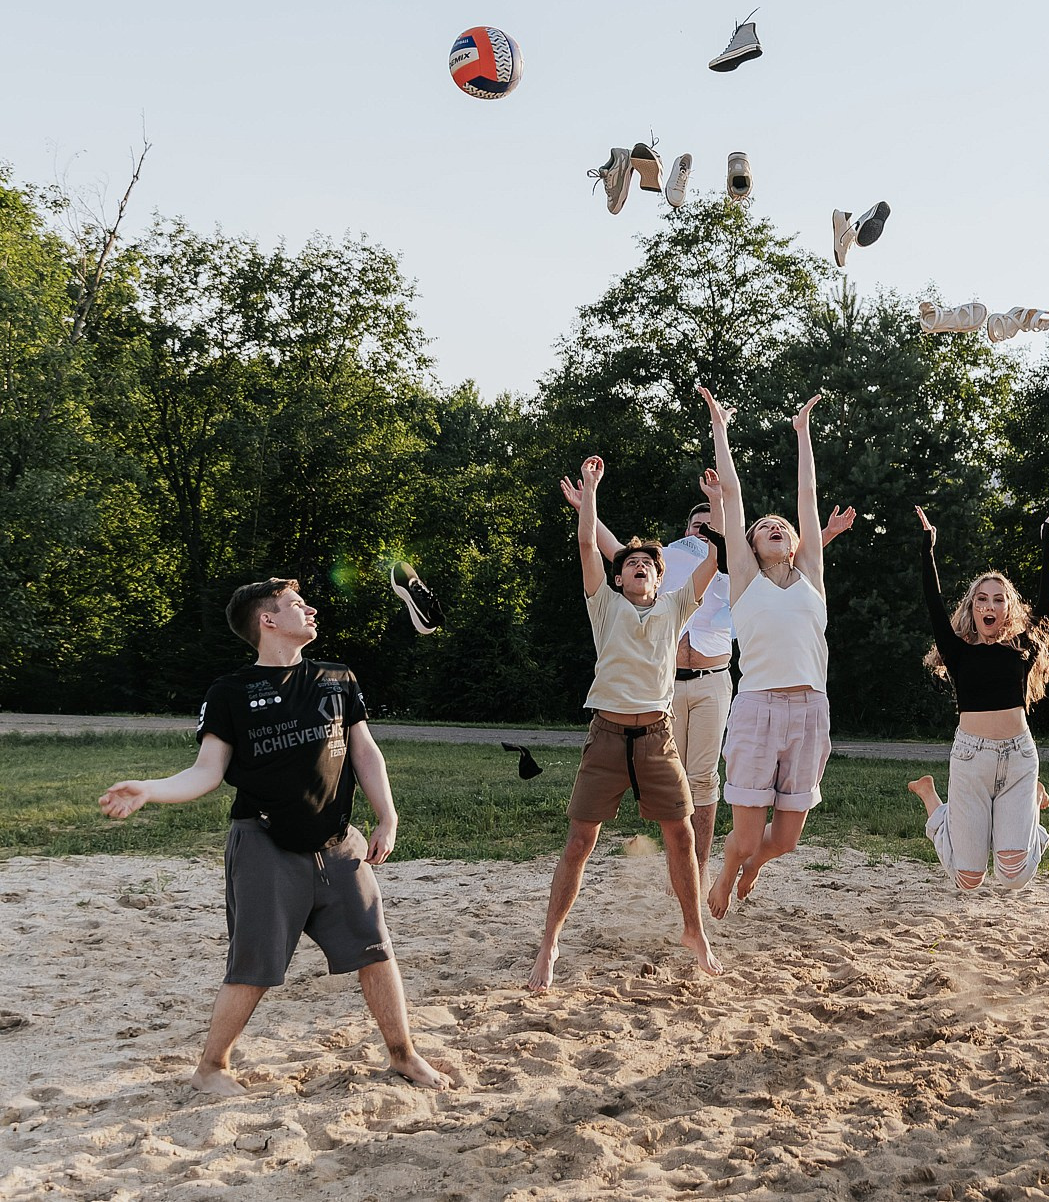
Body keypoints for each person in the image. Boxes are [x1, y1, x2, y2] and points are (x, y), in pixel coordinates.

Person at [98, 578, 452, 1094]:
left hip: (338, 843)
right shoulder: (230, 692)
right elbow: (206, 772)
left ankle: (404, 1055)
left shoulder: (337, 678)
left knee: (376, 950)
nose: (310, 610)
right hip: (264, 844)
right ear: (268, 620)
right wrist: (149, 789)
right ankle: (211, 1068)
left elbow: (364, 752)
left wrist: (387, 816)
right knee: (254, 966)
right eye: (296, 604)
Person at [573, 493, 856, 887]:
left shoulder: (736, 571)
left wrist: (825, 534)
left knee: (703, 779)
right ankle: (677, 864)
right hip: (668, 686)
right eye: (698, 526)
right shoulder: (668, 564)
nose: (704, 532)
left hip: (714, 681)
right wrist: (586, 506)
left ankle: (701, 869)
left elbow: (789, 556)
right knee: (673, 779)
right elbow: (618, 551)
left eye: (712, 526)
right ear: (687, 531)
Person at [531, 456, 723, 988]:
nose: (640, 567)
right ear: (619, 577)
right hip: (607, 737)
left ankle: (694, 932)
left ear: (660, 578)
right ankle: (549, 945)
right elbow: (587, 545)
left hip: (657, 738)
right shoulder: (605, 606)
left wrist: (717, 504)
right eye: (631, 563)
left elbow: (715, 558)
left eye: (648, 564)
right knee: (579, 841)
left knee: (681, 835)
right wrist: (591, 491)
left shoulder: (675, 608)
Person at [699, 385, 833, 917]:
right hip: (757, 708)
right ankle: (730, 867)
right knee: (748, 835)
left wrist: (802, 433)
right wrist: (720, 427)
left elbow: (808, 495)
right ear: (750, 546)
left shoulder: (811, 578)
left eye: (782, 527)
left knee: (787, 840)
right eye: (763, 527)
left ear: (797, 543)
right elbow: (732, 495)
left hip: (811, 709)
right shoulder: (745, 581)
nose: (775, 527)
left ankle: (751, 864)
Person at [903, 502, 1049, 892]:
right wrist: (927, 547)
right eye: (982, 599)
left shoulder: (1022, 647)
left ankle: (1032, 807)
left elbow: (1046, 600)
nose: (989, 605)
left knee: (1014, 877)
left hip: (1019, 757)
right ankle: (931, 800)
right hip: (971, 759)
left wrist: (1047, 535)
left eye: (998, 599)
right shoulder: (956, 650)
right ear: (972, 607)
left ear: (1008, 608)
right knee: (968, 879)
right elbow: (932, 601)